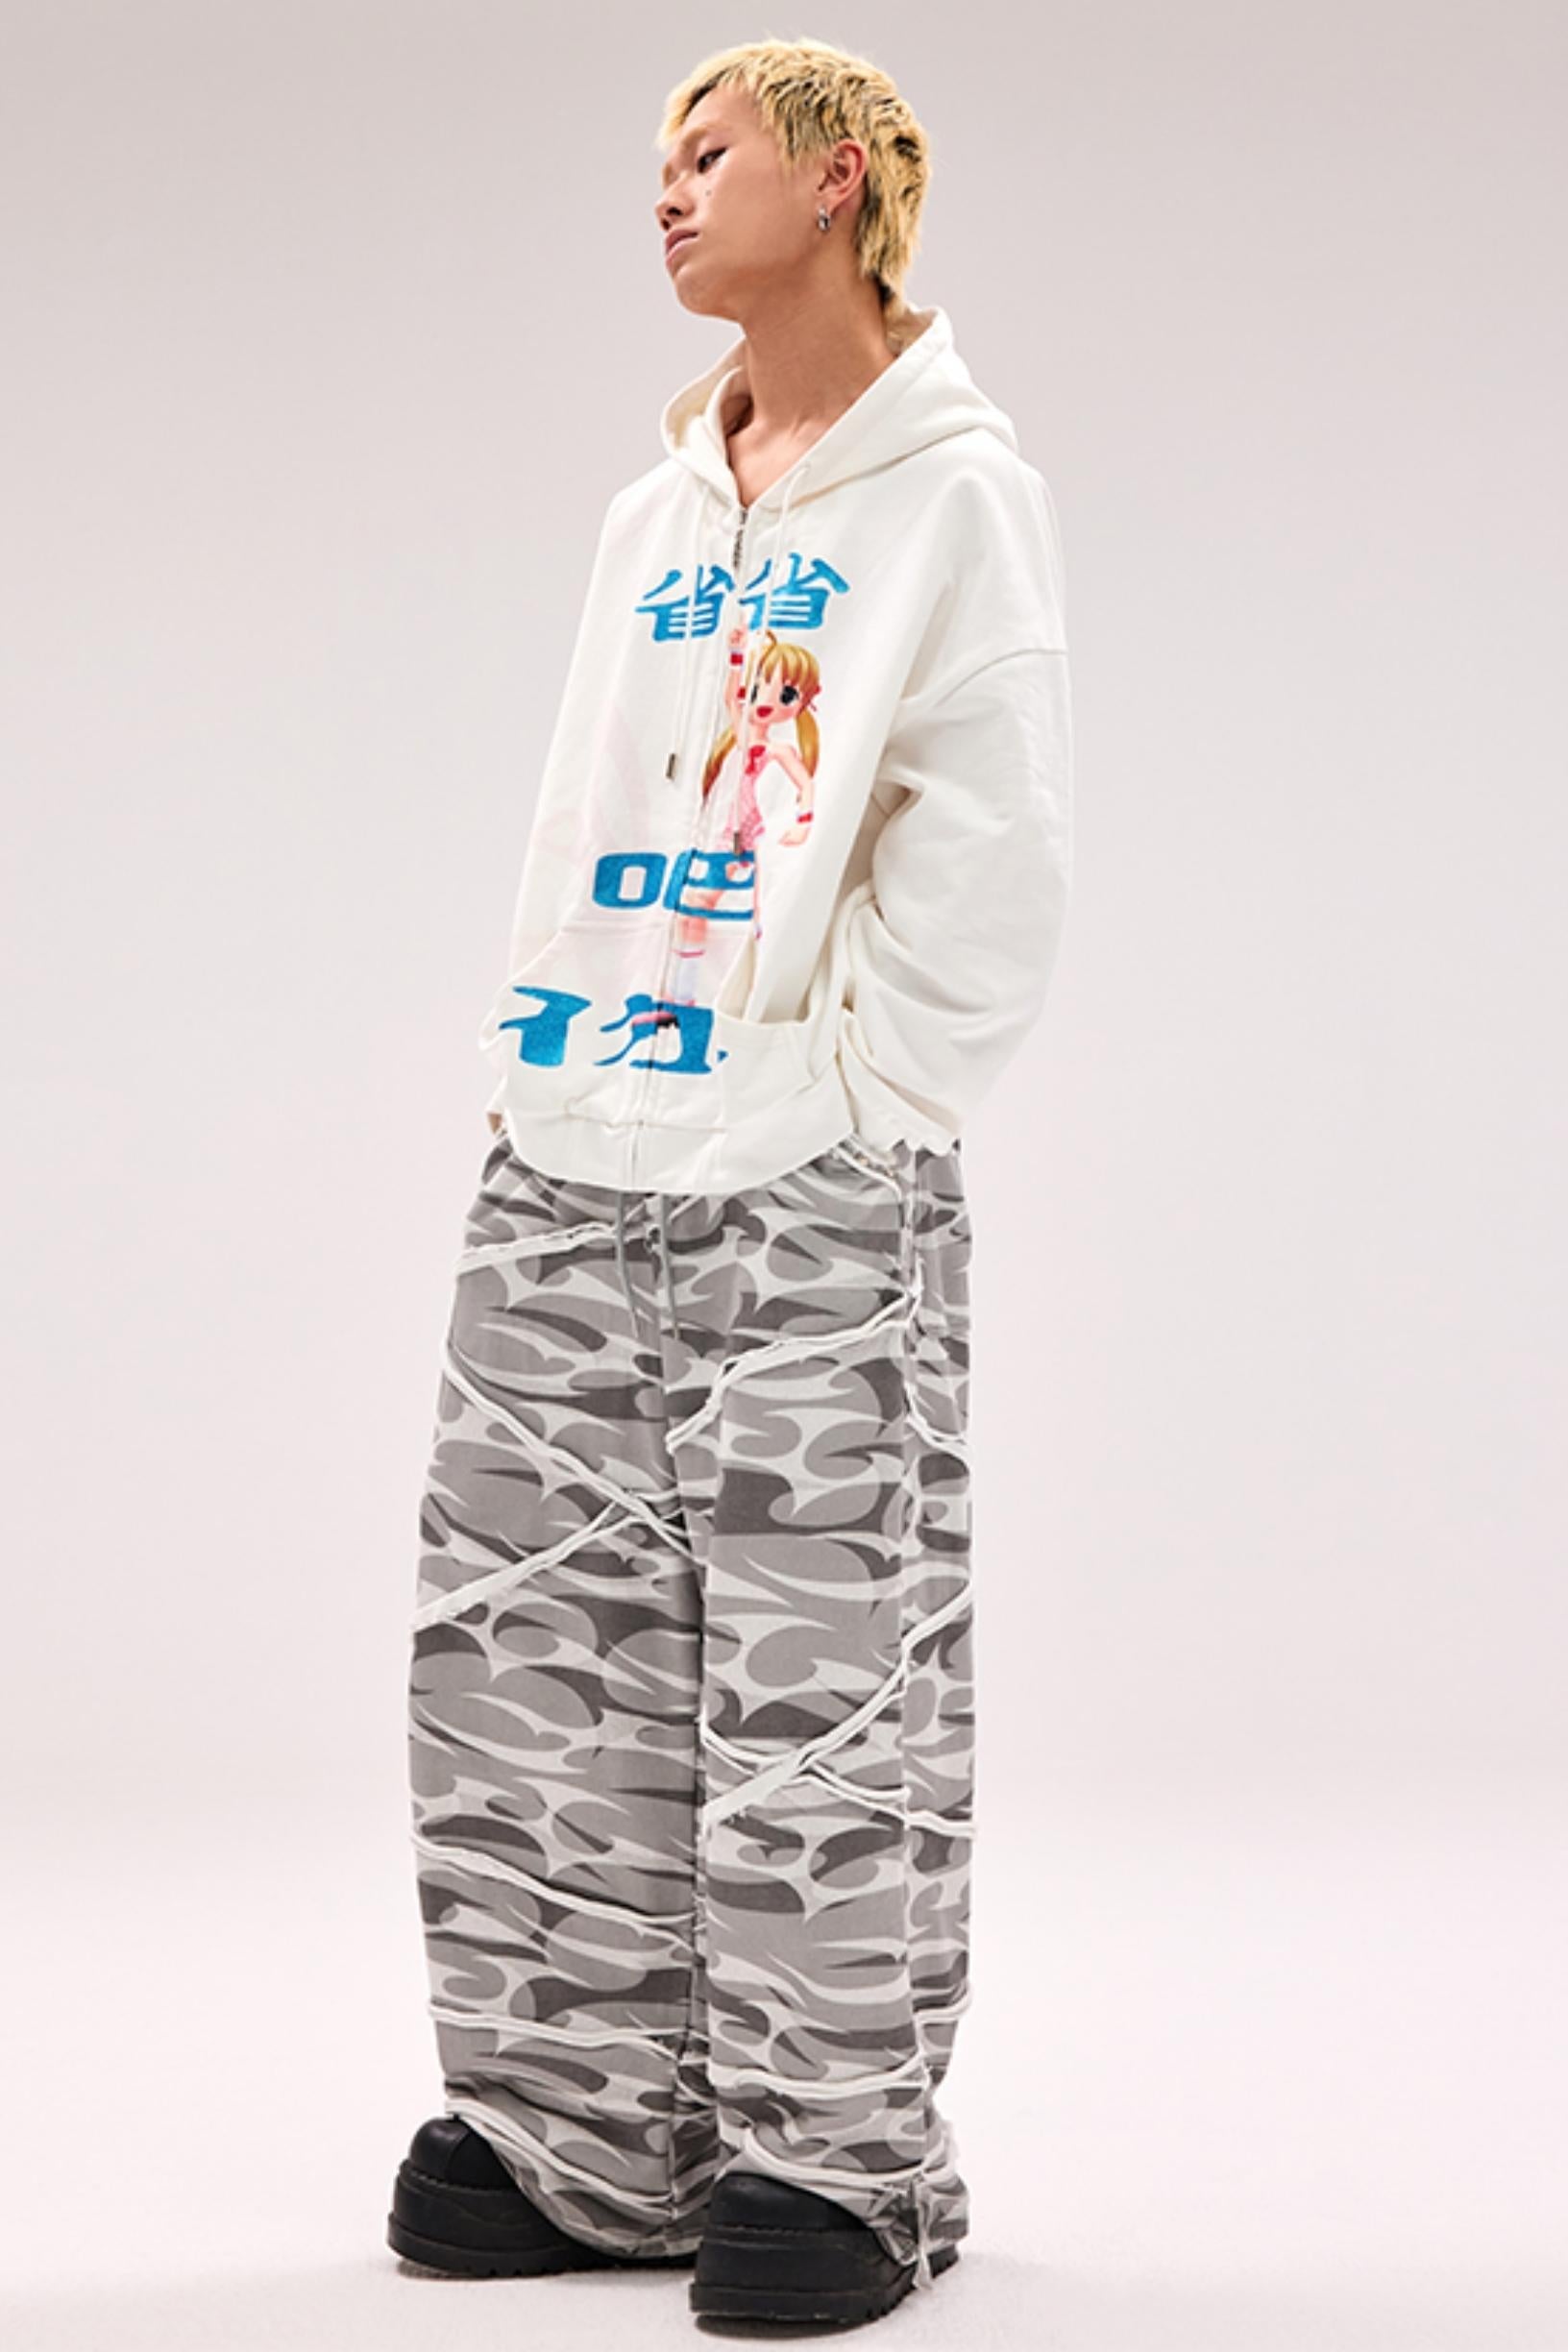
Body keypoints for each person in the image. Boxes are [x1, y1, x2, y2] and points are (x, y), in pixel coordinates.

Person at [387, 34, 1073, 2332]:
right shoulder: (651, 517)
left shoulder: (956, 498)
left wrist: (858, 1095)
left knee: (822, 1665)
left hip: (808, 1176)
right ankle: (579, 2138)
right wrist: (528, 1071)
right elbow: (581, 805)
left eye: (710, 152)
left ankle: (830, 2156)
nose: (666, 193)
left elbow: (989, 850)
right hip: (571, 1149)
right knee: (529, 1653)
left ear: (845, 177)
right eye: (655, 160)